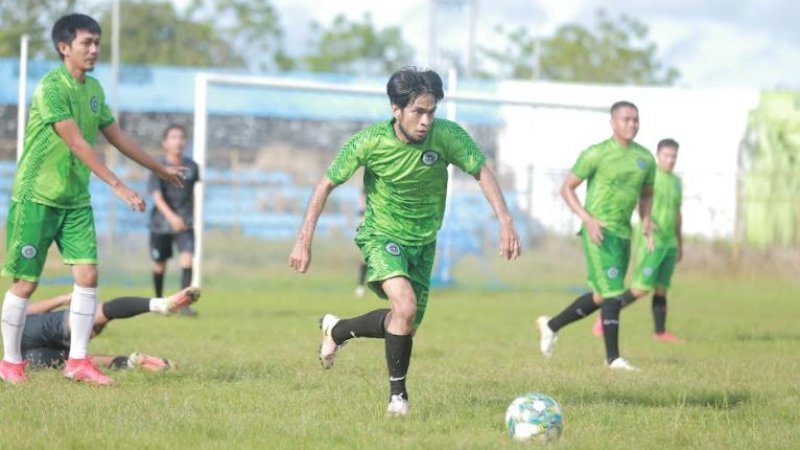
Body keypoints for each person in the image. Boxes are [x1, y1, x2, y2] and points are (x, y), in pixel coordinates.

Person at [289, 67, 521, 417]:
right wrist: (303, 240)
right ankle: (398, 398)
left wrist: (505, 221)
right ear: (395, 109)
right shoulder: (368, 142)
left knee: (403, 321)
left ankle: (337, 330)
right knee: (405, 307)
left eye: (431, 112)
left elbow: (481, 171)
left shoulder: (447, 136)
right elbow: (325, 185)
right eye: (418, 112)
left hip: (424, 242)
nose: (426, 120)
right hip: (381, 235)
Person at [0, 13, 185, 386]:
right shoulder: (52, 88)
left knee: (88, 275)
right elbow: (77, 142)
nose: (94, 49)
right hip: (37, 197)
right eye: (87, 42)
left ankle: (79, 361)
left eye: (97, 42)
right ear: (64, 47)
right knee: (25, 283)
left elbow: (117, 137)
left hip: (75, 200)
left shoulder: (95, 90)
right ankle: (10, 362)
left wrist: (160, 169)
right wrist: (118, 185)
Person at [536, 101, 656, 372]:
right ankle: (613, 359)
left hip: (624, 234)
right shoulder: (596, 153)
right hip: (598, 233)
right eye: (626, 119)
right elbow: (567, 188)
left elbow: (647, 193)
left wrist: (646, 220)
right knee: (614, 293)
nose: (632, 124)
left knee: (602, 295)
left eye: (636, 119)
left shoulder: (645, 158)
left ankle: (551, 325)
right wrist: (587, 219)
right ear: (613, 122)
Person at [590, 138, 684, 342]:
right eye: (666, 156)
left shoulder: (677, 182)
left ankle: (660, 332)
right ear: (658, 155)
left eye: (673, 156)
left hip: (669, 243)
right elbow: (635, 199)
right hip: (652, 242)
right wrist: (646, 221)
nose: (670, 160)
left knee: (661, 288)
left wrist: (680, 242)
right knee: (641, 288)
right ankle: (604, 316)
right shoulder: (651, 177)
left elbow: (677, 213)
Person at [22, 287, 200, 372]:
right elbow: (21, 312)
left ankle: (130, 363)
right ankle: (161, 305)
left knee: (78, 361)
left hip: (22, 359)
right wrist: (62, 298)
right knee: (93, 316)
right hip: (23, 333)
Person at [148, 124, 200, 316]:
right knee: (160, 264)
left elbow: (191, 193)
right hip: (161, 223)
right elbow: (156, 196)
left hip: (185, 222)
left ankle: (184, 305)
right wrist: (171, 217)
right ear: (165, 142)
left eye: (181, 137)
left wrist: (190, 216)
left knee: (187, 260)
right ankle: (159, 302)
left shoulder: (192, 167)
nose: (178, 141)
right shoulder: (158, 166)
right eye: (173, 137)